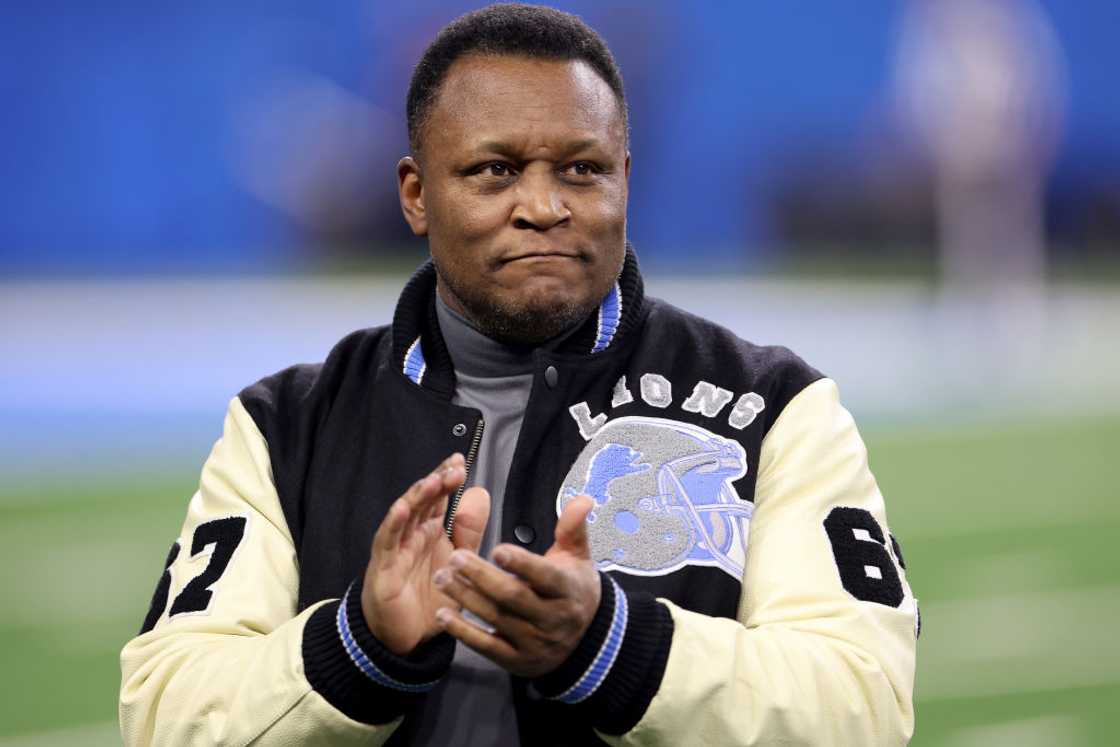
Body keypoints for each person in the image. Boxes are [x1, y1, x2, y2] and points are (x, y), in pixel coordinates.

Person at [120, 4, 918, 745]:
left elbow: (865, 701)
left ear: (625, 181)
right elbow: (166, 711)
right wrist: (358, 643)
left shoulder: (773, 408)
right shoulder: (285, 426)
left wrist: (612, 645)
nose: (542, 205)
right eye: (495, 172)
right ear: (416, 194)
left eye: (581, 170)